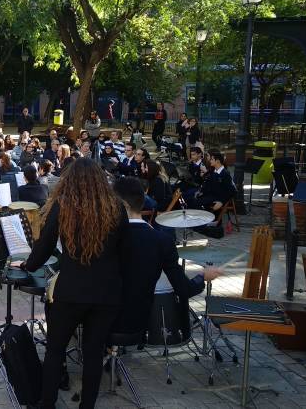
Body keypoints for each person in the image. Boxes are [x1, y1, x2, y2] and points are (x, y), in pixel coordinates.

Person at [16, 158, 128, 409]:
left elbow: (44, 247)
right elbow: (125, 252)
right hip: (106, 293)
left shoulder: (62, 206)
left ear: (71, 181)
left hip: (70, 291)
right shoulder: (117, 208)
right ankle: (87, 405)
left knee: (55, 351)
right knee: (93, 353)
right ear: (100, 181)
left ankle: (48, 404)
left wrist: (27, 266)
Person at [112, 177, 221, 334]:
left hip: (102, 320)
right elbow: (183, 289)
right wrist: (202, 276)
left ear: (123, 205)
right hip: (139, 320)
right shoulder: (162, 241)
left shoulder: (105, 237)